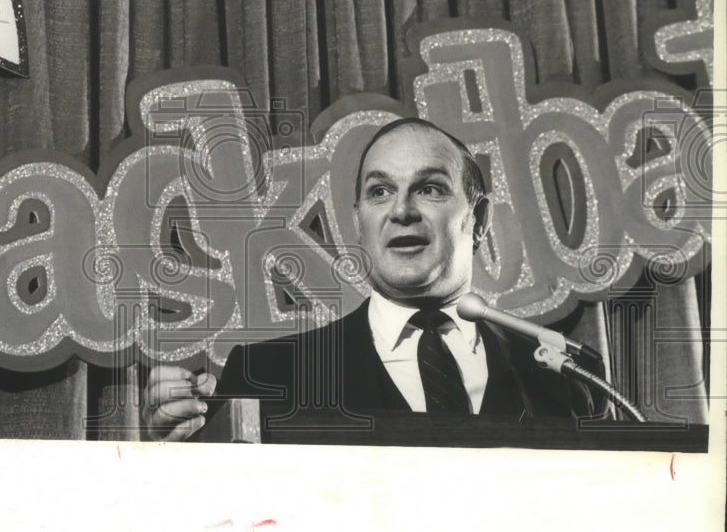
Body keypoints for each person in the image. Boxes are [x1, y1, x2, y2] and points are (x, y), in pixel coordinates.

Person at [142, 117, 603, 442]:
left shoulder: (567, 378)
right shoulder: (267, 375)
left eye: (430, 189)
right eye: (380, 192)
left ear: (479, 219)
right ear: (359, 221)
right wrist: (171, 454)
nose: (401, 211)